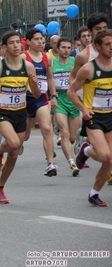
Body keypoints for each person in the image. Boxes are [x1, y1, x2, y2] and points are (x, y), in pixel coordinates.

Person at [0, 31, 40, 204]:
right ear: (4, 47)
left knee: (14, 154)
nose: (16, 46)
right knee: (14, 144)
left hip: (20, 113)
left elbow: (37, 95)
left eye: (18, 42)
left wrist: (35, 84)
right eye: (12, 43)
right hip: (3, 113)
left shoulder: (28, 67)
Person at [67, 29, 112, 207]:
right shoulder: (88, 69)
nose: (111, 47)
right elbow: (71, 92)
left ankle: (94, 193)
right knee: (104, 155)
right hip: (94, 117)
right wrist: (83, 108)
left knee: (110, 159)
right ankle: (86, 150)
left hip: (110, 115)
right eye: (108, 44)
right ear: (98, 47)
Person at [21, 28, 58, 177]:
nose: (40, 42)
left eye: (42, 39)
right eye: (36, 39)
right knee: (26, 134)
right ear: (28, 41)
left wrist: (53, 95)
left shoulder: (46, 57)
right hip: (26, 98)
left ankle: (50, 164)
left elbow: (49, 78)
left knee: (46, 129)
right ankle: (17, 143)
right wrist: (29, 88)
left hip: (42, 98)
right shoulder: (23, 57)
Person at [52, 38, 81, 176]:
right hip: (60, 100)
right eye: (63, 47)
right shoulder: (52, 64)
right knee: (64, 132)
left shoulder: (75, 63)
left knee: (72, 137)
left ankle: (76, 143)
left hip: (73, 100)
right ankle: (72, 162)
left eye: (69, 48)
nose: (66, 50)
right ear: (57, 48)